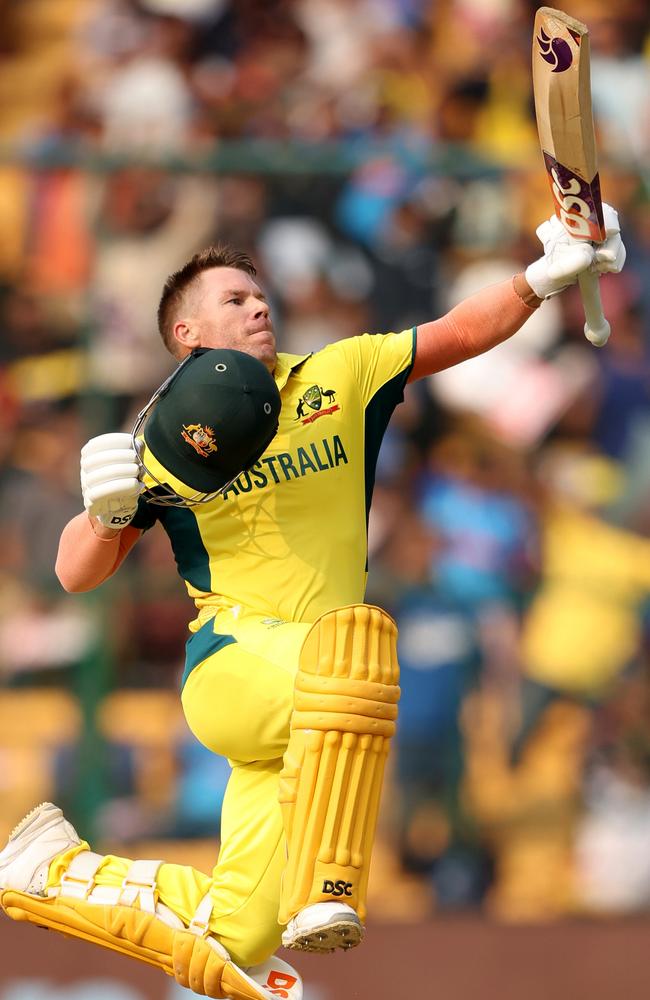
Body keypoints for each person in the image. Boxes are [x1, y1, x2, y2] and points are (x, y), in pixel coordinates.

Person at [0, 207, 626, 1000]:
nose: (258, 305)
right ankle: (327, 888)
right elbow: (74, 574)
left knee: (237, 948)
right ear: (187, 334)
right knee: (356, 648)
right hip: (234, 667)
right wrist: (105, 512)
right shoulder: (166, 435)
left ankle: (46, 874)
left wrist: (537, 279)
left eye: (258, 295)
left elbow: (460, 333)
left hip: (314, 713)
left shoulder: (340, 373)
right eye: (233, 299)